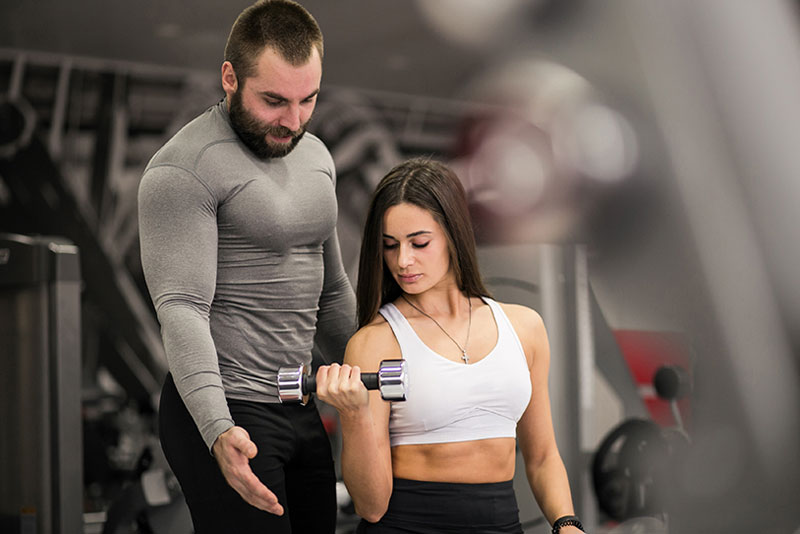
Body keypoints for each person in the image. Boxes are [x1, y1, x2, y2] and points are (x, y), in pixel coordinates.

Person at [137, 1, 356, 532]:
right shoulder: (183, 168)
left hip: (298, 402)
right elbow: (182, 309)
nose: (294, 121)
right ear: (230, 78)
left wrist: (375, 376)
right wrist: (215, 427)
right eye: (274, 100)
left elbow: (332, 291)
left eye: (309, 100)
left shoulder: (318, 157)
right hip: (226, 405)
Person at [315, 157, 586, 534]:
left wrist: (566, 523)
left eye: (419, 242)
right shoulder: (375, 343)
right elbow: (371, 507)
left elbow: (542, 457)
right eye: (390, 246)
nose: (403, 261)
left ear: (453, 234)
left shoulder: (525, 327)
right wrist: (356, 415)